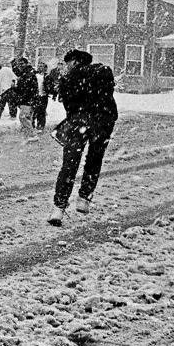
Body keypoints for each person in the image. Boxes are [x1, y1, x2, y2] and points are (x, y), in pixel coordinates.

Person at [47, 49, 118, 226]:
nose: (65, 66)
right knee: (94, 159)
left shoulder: (69, 79)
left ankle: (58, 208)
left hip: (79, 122)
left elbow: (69, 106)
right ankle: (84, 198)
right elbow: (108, 95)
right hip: (104, 120)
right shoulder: (102, 72)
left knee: (69, 164)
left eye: (67, 62)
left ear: (75, 62)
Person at [12, 58, 39, 138]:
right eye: (19, 64)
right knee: (27, 118)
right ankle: (27, 135)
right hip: (27, 99)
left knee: (23, 117)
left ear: (26, 64)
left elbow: (25, 88)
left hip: (27, 99)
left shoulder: (28, 74)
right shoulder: (25, 73)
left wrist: (15, 88)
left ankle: (32, 135)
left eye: (22, 64)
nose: (20, 66)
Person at [32, 61, 51, 132]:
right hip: (35, 96)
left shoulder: (47, 76)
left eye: (41, 66)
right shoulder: (34, 75)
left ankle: (40, 126)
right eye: (38, 66)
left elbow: (49, 85)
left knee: (42, 112)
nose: (39, 68)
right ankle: (32, 126)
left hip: (43, 96)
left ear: (45, 68)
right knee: (33, 111)